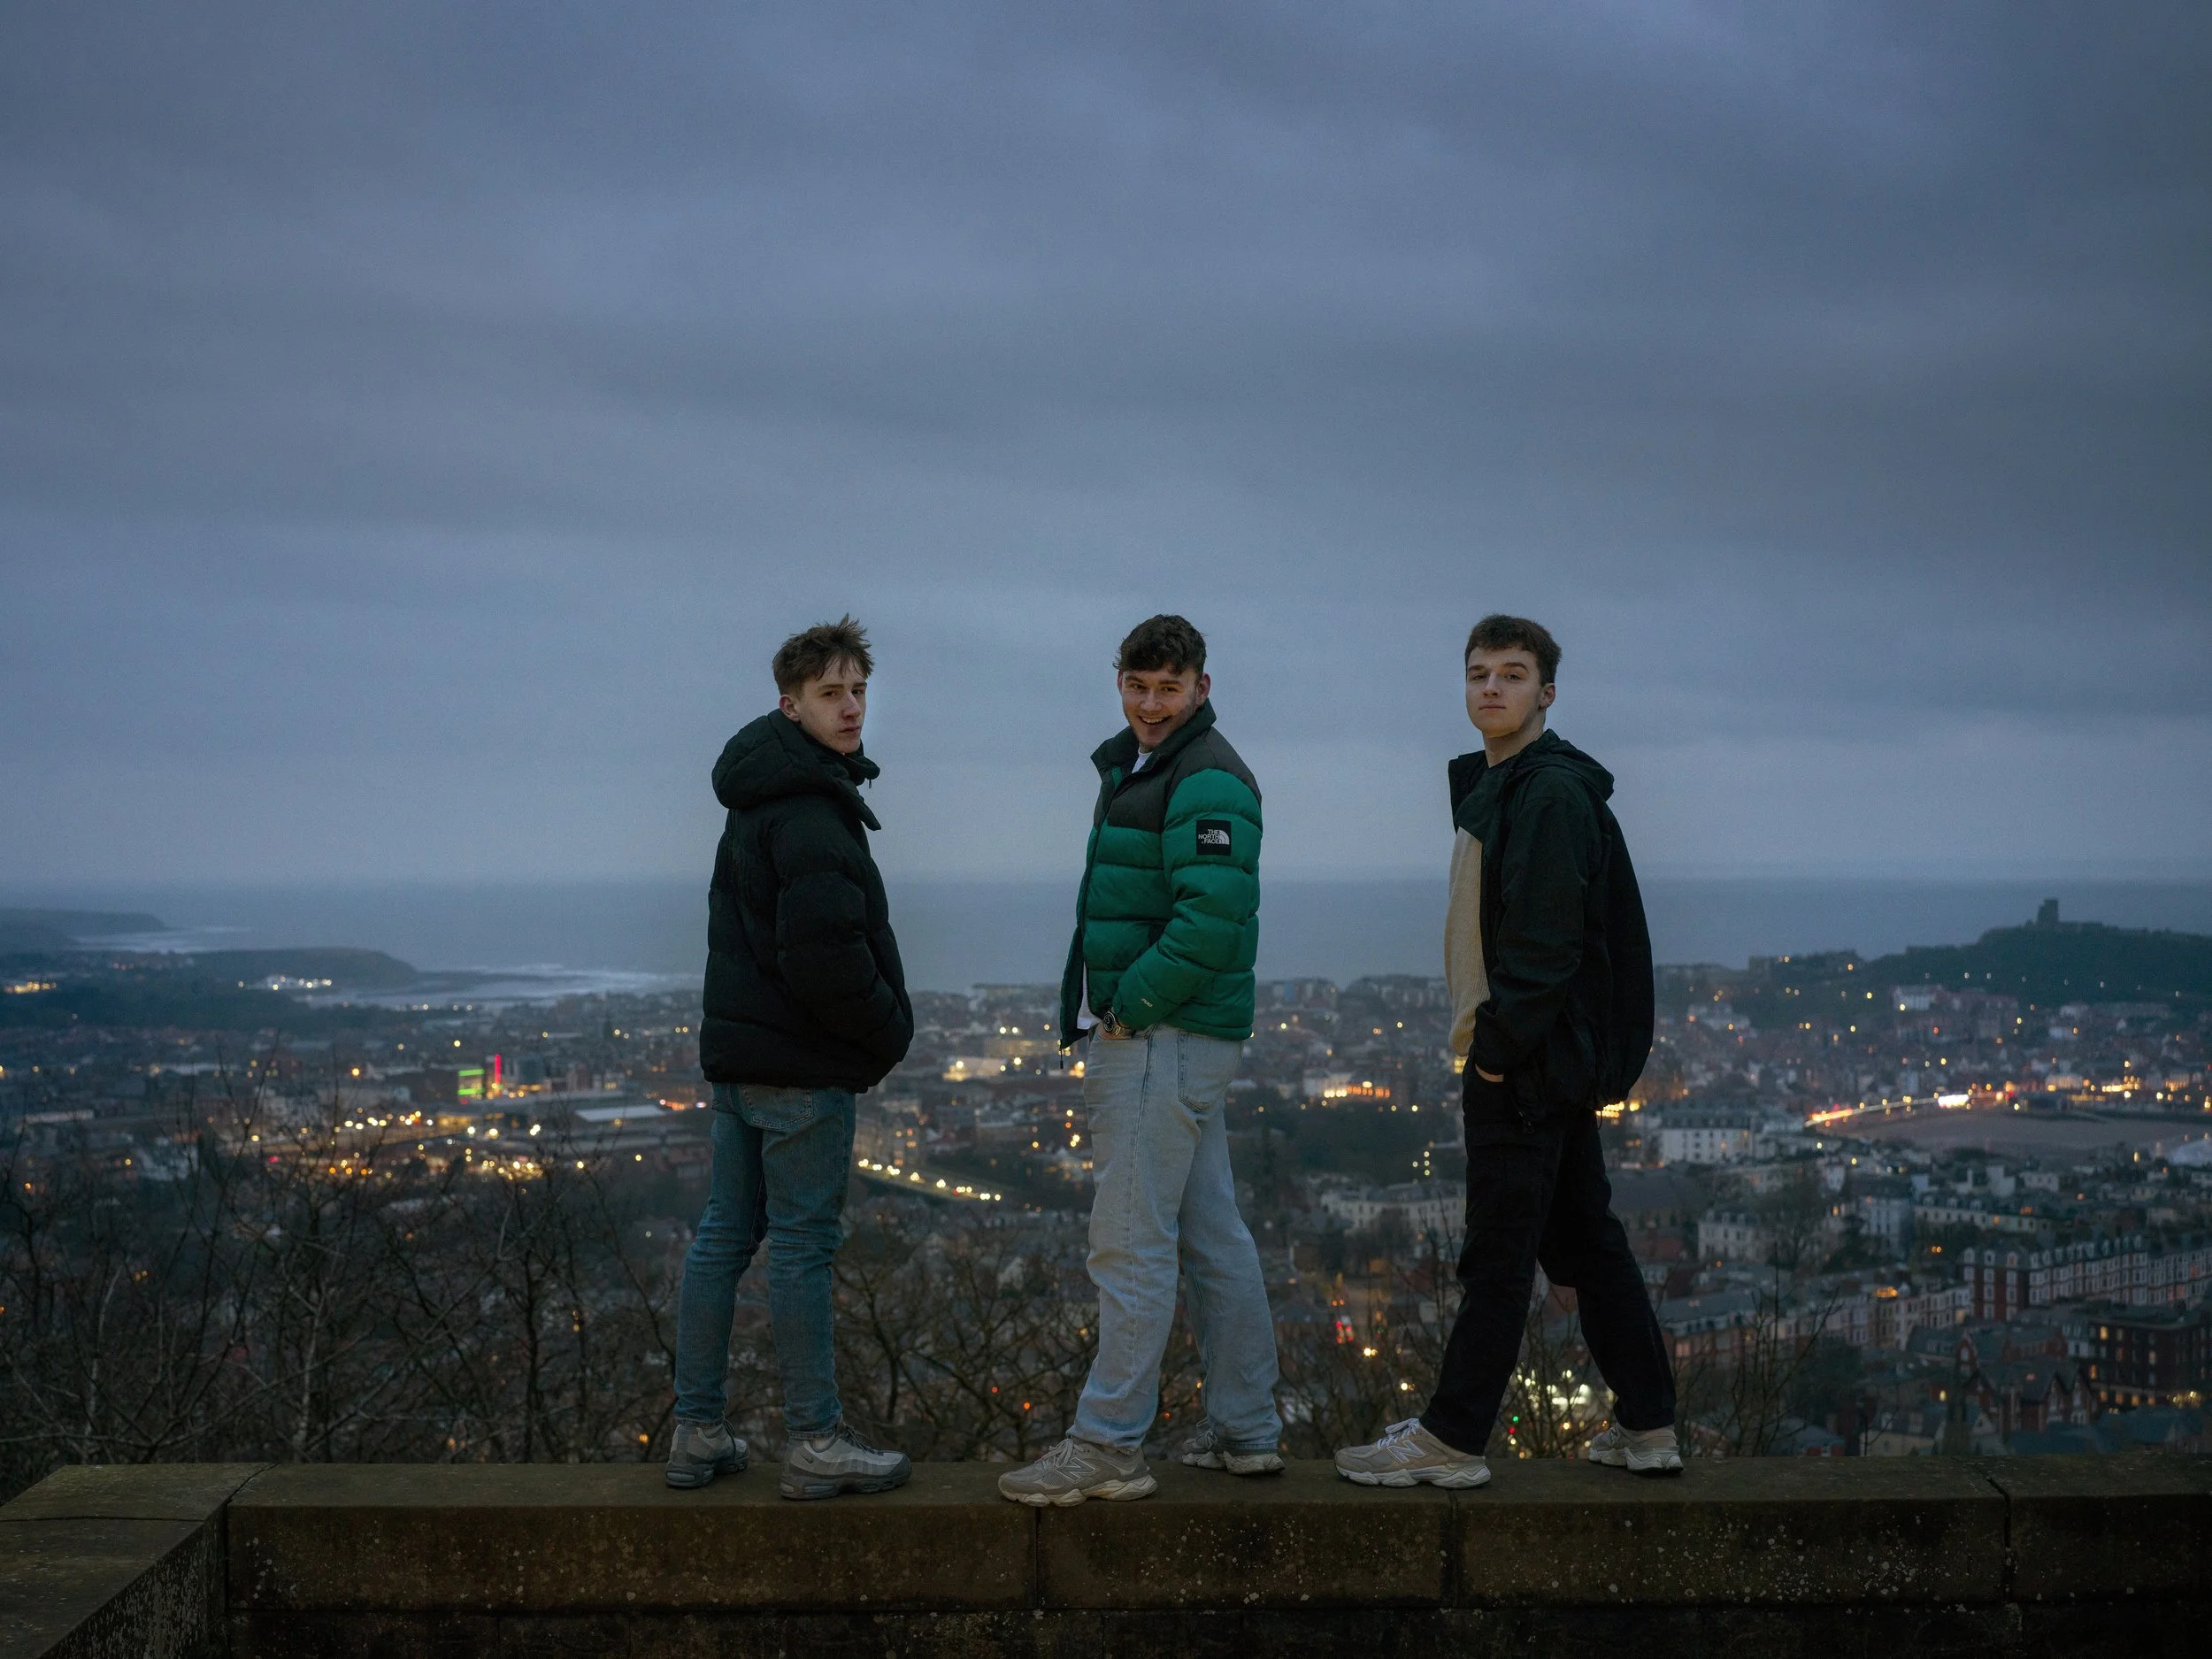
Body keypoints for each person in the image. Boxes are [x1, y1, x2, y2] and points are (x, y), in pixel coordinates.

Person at [1335, 614, 1679, 1488]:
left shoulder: (1546, 795)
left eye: (1513, 673)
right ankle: (1649, 1425)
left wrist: (1494, 1054)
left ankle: (1451, 1440)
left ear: (1546, 692)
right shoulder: (1507, 787)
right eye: (1479, 673)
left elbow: (1544, 942)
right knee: (1586, 1243)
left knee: (1496, 1254)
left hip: (1524, 1064)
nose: (1491, 687)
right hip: (1546, 1061)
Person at [998, 614, 1282, 1505]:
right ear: (1118, 681)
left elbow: (1209, 921)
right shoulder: (1151, 767)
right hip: (1181, 1039)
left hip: (1160, 1040)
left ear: (1201, 686)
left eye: (1168, 688)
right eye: (1138, 685)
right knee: (1211, 1235)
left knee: (1127, 1241)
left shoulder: (1204, 778)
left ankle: (1108, 1443)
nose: (1151, 704)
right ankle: (1247, 1428)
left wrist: (1125, 1010)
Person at [666, 616, 916, 1499]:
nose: (850, 709)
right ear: (790, 703)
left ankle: (696, 1429)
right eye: (830, 693)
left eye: (858, 691)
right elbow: (824, 958)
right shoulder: (810, 809)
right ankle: (815, 1439)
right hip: (800, 1071)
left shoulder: (756, 794)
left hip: (741, 1059)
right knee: (803, 1249)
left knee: (723, 1237)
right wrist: (889, 1032)